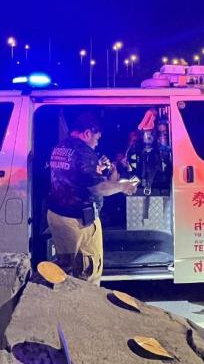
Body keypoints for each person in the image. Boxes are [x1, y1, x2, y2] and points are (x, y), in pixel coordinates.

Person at [47, 112, 138, 285]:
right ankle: (84, 301)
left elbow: (75, 177)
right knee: (87, 270)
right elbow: (98, 188)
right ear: (87, 133)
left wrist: (99, 170)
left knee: (66, 268)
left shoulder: (61, 146)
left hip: (58, 216)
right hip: (78, 222)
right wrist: (123, 186)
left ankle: (66, 300)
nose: (97, 143)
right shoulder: (84, 152)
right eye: (96, 138)